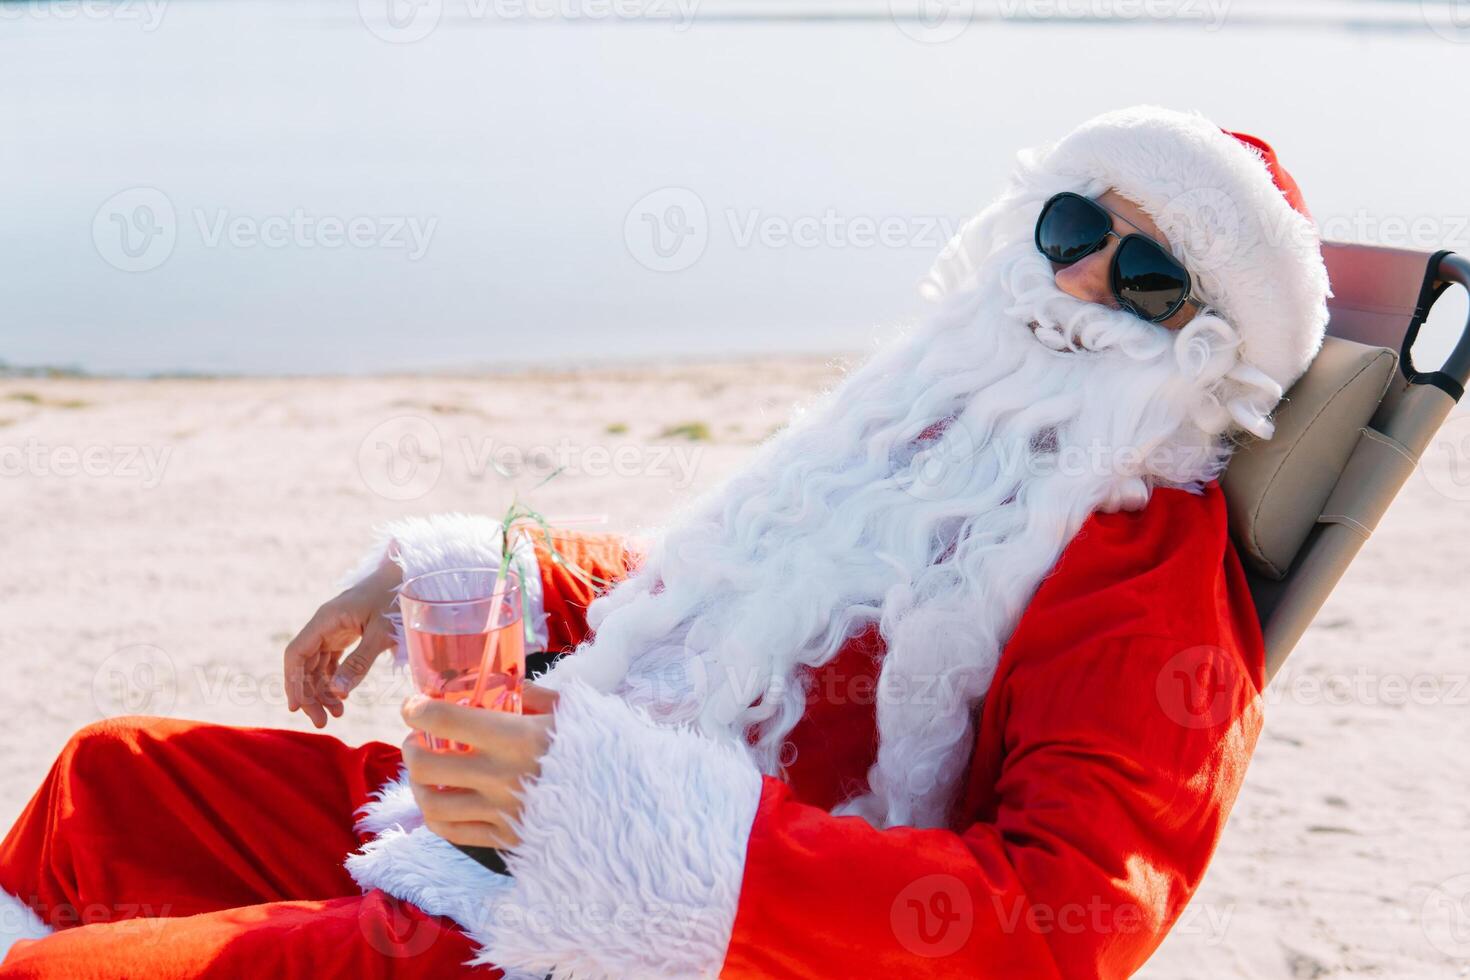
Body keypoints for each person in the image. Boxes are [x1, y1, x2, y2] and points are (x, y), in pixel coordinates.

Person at [0, 105, 1331, 979]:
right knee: (109, 783)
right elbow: (728, 607)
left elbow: (1063, 924)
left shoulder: (1145, 578)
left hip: (651, 929)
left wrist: (623, 816)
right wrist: (464, 572)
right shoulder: (923, 438)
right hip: (512, 830)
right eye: (1071, 228)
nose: (1084, 280)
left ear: (1207, 355)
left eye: (1151, 280)